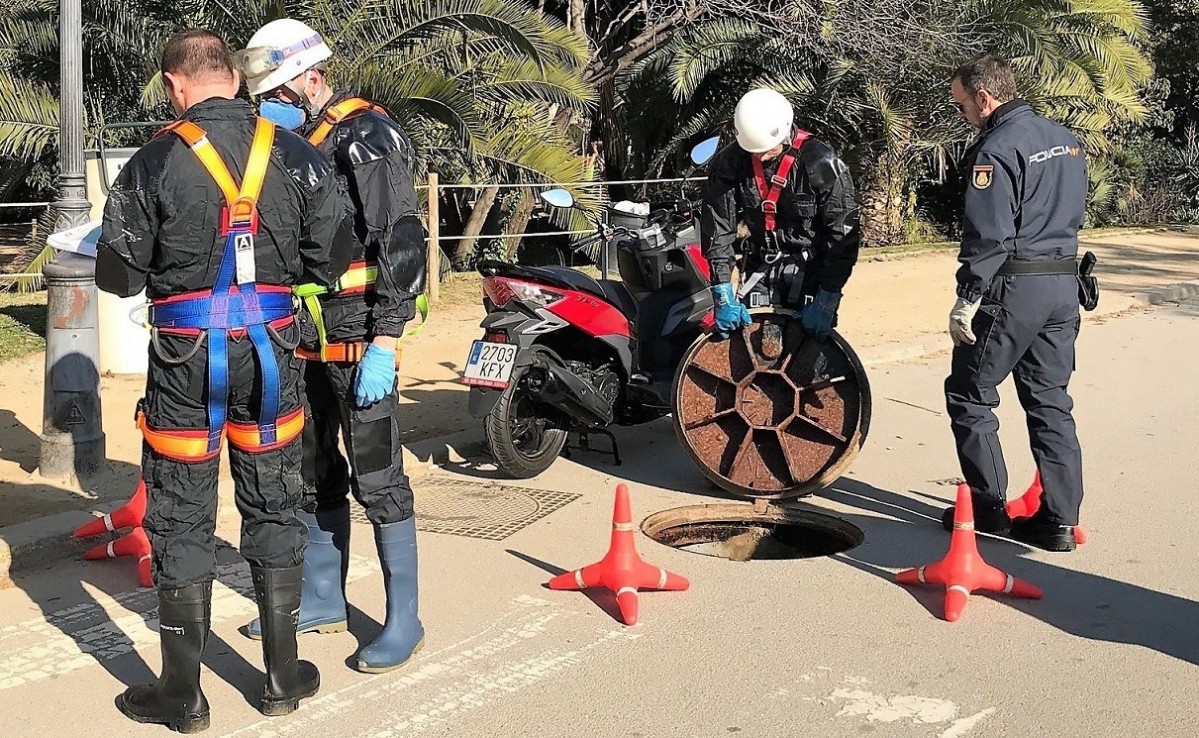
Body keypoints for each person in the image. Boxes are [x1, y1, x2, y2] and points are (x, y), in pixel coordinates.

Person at [95, 29, 353, 731]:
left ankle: (183, 696)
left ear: (177, 86)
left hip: (185, 359)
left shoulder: (152, 162)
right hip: (273, 352)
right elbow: (330, 261)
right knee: (273, 498)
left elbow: (118, 275)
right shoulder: (297, 155)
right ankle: (280, 678)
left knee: (181, 511)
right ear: (235, 81)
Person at [235, 18, 428, 674]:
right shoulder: (298, 142)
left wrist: (387, 340)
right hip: (303, 339)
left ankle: (405, 617)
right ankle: (323, 596)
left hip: (358, 339)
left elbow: (398, 238)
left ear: (306, 75)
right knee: (312, 472)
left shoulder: (368, 134)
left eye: (275, 89)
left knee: (379, 479)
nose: (271, 102)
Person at [942, 54, 1089, 552]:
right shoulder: (1067, 140)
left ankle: (988, 508)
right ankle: (1059, 520)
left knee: (969, 392)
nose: (963, 115)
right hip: (1063, 284)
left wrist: (968, 296)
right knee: (1050, 400)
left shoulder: (997, 148)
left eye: (963, 106)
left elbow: (990, 234)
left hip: (1013, 288)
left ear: (985, 98)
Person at [700, 87, 861, 340]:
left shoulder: (823, 164)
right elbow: (718, 229)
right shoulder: (729, 164)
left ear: (786, 131)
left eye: (767, 149)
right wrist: (722, 292)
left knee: (804, 353)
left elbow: (842, 234)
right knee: (753, 345)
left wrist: (828, 297)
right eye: (755, 151)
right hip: (759, 267)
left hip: (810, 271)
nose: (762, 156)